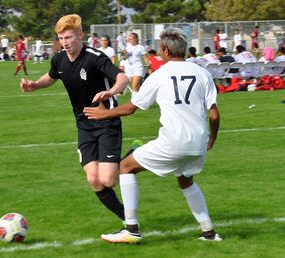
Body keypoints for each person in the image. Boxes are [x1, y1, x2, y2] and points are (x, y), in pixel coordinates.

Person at [84, 27, 222, 243]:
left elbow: (131, 108)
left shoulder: (160, 75)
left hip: (174, 142)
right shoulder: (202, 73)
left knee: (124, 167)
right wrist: (212, 138)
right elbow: (213, 115)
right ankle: (209, 232)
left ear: (165, 50)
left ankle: (131, 229)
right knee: (185, 180)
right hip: (198, 142)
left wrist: (104, 114)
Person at [20, 14, 129, 224]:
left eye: (69, 38)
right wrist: (34, 85)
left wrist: (111, 92)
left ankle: (130, 161)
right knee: (94, 179)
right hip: (84, 126)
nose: (65, 43)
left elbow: (122, 78)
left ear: (80, 35)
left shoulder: (95, 57)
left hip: (107, 121)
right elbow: (50, 77)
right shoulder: (59, 58)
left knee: (108, 179)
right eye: (61, 39)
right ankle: (127, 218)